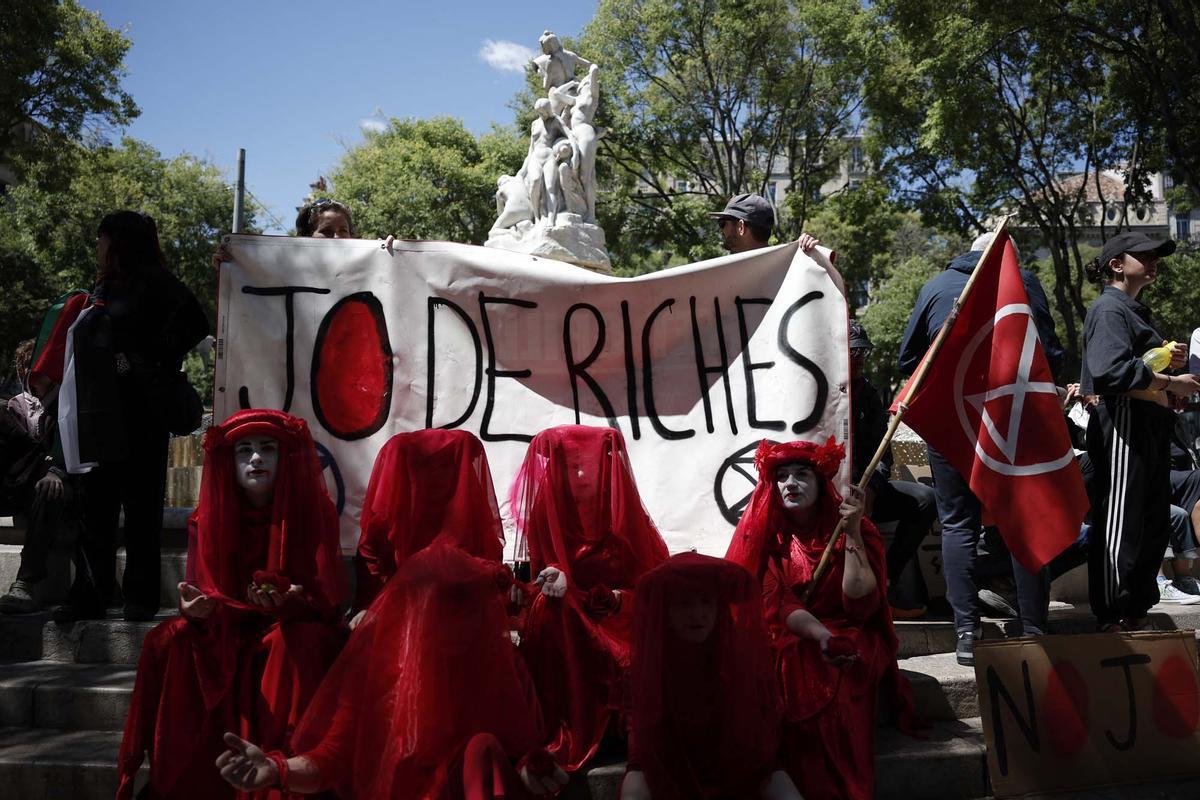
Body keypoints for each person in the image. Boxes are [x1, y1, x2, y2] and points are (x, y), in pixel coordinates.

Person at [115, 409, 347, 800]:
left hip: (289, 626)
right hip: (227, 626)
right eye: (245, 451)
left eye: (267, 449)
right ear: (230, 460)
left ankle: (283, 769)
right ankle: (187, 779)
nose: (256, 459)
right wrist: (197, 611)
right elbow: (207, 590)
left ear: (284, 456)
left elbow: (325, 599)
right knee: (169, 639)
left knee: (296, 642)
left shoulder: (315, 511)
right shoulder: (207, 519)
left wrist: (290, 602)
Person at [216, 544, 569, 799]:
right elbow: (329, 760)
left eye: (465, 606)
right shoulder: (378, 670)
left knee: (482, 750)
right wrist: (277, 770)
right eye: (439, 607)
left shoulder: (503, 661)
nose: (455, 622)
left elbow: (520, 754)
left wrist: (534, 771)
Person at [898, 233, 1063, 664]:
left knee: (958, 524)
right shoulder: (1025, 283)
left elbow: (908, 360)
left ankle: (967, 633)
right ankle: (1034, 629)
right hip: (1016, 422)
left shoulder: (935, 287)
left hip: (954, 420)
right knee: (1022, 518)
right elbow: (1051, 353)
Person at [725, 438, 914, 800]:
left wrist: (854, 534)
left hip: (853, 633)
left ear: (820, 482)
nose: (790, 484)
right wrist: (821, 637)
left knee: (823, 666)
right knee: (788, 660)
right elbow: (779, 606)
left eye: (801, 475)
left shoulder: (856, 531)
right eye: (782, 476)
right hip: (795, 631)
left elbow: (860, 608)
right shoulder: (769, 538)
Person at [58, 211, 209, 622]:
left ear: (118, 241)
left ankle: (138, 598)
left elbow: (195, 324)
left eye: (102, 237)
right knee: (95, 506)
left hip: (141, 414)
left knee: (141, 508)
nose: (98, 246)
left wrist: (146, 361)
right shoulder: (104, 286)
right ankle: (92, 592)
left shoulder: (156, 283)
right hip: (101, 412)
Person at [509, 424, 670, 772]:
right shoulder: (547, 515)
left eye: (586, 465)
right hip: (569, 621)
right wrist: (555, 580)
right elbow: (541, 578)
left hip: (619, 621)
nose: (579, 474)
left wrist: (614, 598)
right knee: (549, 609)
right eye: (569, 466)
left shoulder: (625, 516)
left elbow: (652, 587)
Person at [1082, 231, 1200, 631]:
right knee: (1123, 521)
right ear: (1117, 264)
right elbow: (1111, 371)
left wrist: (1168, 367)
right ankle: (1113, 614)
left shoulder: (1133, 310)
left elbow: (1137, 366)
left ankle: (1135, 611)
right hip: (1123, 426)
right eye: (1144, 256)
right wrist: (1170, 383)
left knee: (1151, 521)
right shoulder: (1109, 309)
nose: (1153, 262)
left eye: (1156, 257)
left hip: (1148, 429)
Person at [620, 552, 801, 800]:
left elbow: (757, 733)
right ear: (667, 611)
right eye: (684, 603)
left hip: (738, 764)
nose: (697, 613)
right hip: (668, 765)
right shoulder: (650, 664)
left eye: (706, 602)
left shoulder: (738, 657)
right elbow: (643, 741)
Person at [352, 429, 504, 614]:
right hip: (447, 614)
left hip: (409, 612)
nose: (436, 474)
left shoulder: (391, 508)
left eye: (446, 467)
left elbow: (371, 555)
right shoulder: (469, 509)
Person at [847, 320, 937, 617]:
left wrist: (872, 487)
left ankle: (888, 581)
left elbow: (882, 453)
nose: (858, 360)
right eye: (852, 353)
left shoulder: (870, 395)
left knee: (925, 498)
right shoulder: (820, 392)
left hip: (867, 489)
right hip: (831, 492)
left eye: (862, 353)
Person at [0, 339, 76, 614]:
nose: (35, 372)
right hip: (16, 483)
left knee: (48, 492)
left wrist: (57, 471)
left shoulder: (66, 402)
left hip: (50, 483)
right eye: (29, 366)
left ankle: (25, 582)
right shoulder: (13, 405)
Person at [210, 198, 394, 270]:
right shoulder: (282, 272)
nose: (337, 238)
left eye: (343, 231)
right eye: (326, 232)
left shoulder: (370, 269)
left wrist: (393, 265)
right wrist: (232, 273)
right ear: (307, 236)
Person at [709, 193, 818, 254]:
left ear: (741, 227)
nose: (721, 230)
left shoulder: (796, 262)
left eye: (722, 223)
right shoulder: (785, 266)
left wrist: (810, 253)